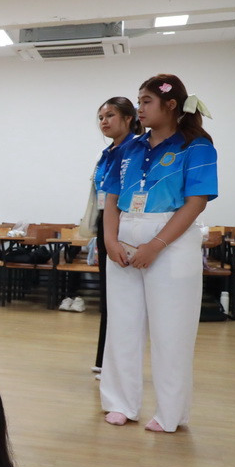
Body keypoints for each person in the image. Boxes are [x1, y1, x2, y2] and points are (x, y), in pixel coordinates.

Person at [101, 74, 217, 433]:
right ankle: (120, 403)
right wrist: (110, 240)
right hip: (123, 240)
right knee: (122, 327)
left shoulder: (196, 146)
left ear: (171, 104)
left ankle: (170, 413)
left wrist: (156, 245)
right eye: (139, 101)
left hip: (171, 245)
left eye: (146, 101)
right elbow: (110, 197)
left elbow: (196, 202)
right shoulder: (128, 147)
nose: (140, 108)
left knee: (171, 331)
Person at [88, 98, 140, 375]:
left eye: (110, 115)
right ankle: (105, 361)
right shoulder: (107, 152)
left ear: (129, 118)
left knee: (125, 298)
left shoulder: (136, 149)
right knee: (109, 296)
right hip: (105, 225)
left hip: (128, 225)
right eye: (100, 117)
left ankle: (119, 363)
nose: (104, 122)